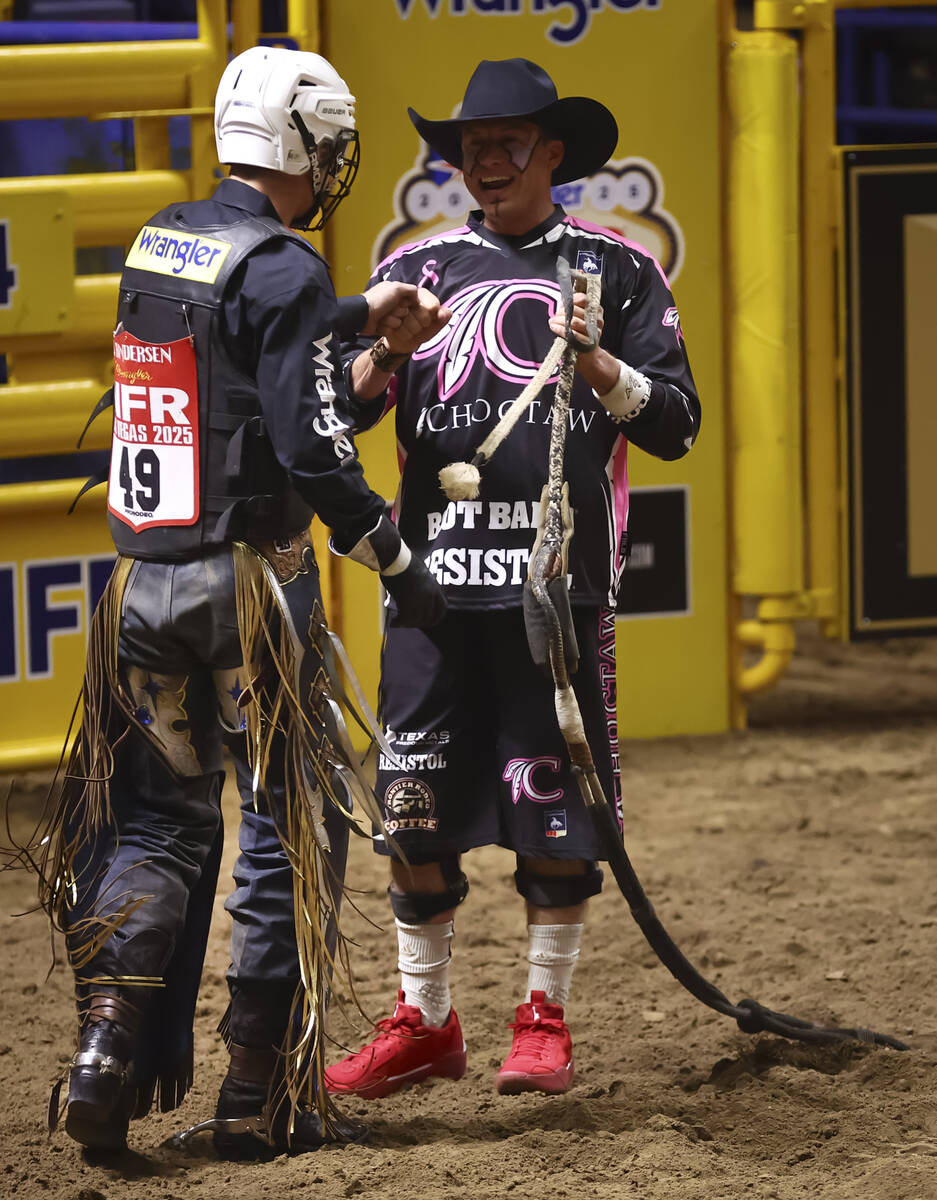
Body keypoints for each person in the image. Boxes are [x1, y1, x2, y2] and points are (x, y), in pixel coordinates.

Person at [37, 45, 448, 1158]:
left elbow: (253, 361)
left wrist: (359, 320)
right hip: (251, 591)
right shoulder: (290, 270)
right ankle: (257, 1090)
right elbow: (312, 452)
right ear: (306, 144)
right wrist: (396, 559)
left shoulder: (162, 241)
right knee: (286, 825)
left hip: (143, 587)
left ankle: (110, 1040)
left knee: (156, 825)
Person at [325, 58, 701, 1100]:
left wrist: (599, 368)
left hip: (553, 589)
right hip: (428, 586)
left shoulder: (617, 270)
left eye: (504, 143)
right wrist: (377, 359)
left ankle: (543, 1017)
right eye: (466, 146)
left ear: (552, 153)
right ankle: (425, 1022)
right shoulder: (419, 264)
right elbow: (342, 416)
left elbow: (673, 425)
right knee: (409, 802)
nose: (481, 160)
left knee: (556, 808)